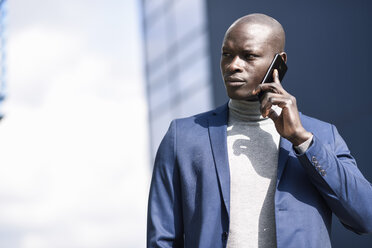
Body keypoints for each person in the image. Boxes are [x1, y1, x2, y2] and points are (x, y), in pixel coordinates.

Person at [147, 13, 372, 248]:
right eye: (226, 54)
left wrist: (301, 140)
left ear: (279, 62)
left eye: (248, 56)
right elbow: (162, 239)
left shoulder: (322, 135)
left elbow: (365, 217)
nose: (233, 66)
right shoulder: (183, 136)